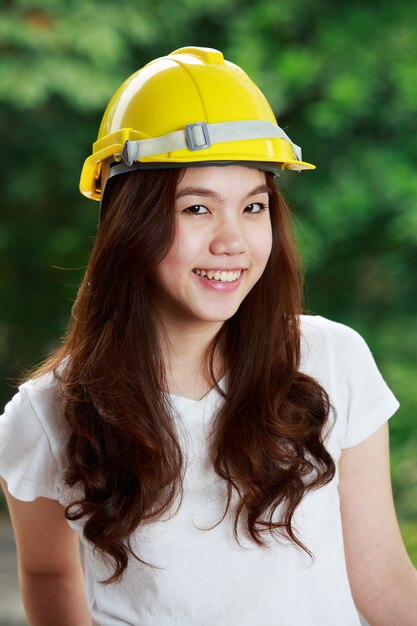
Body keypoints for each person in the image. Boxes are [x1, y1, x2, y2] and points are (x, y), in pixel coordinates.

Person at [0, 46, 416, 626]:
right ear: (131, 222)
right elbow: (47, 572)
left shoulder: (331, 361)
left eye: (253, 207)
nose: (233, 241)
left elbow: (384, 582)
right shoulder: (47, 412)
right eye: (197, 208)